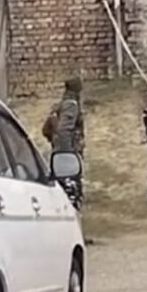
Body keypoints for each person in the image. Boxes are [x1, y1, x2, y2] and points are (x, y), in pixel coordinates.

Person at [52, 78, 85, 211]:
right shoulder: (71, 104)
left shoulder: (66, 102)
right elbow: (64, 130)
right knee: (70, 176)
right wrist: (67, 152)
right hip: (68, 148)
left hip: (67, 146)